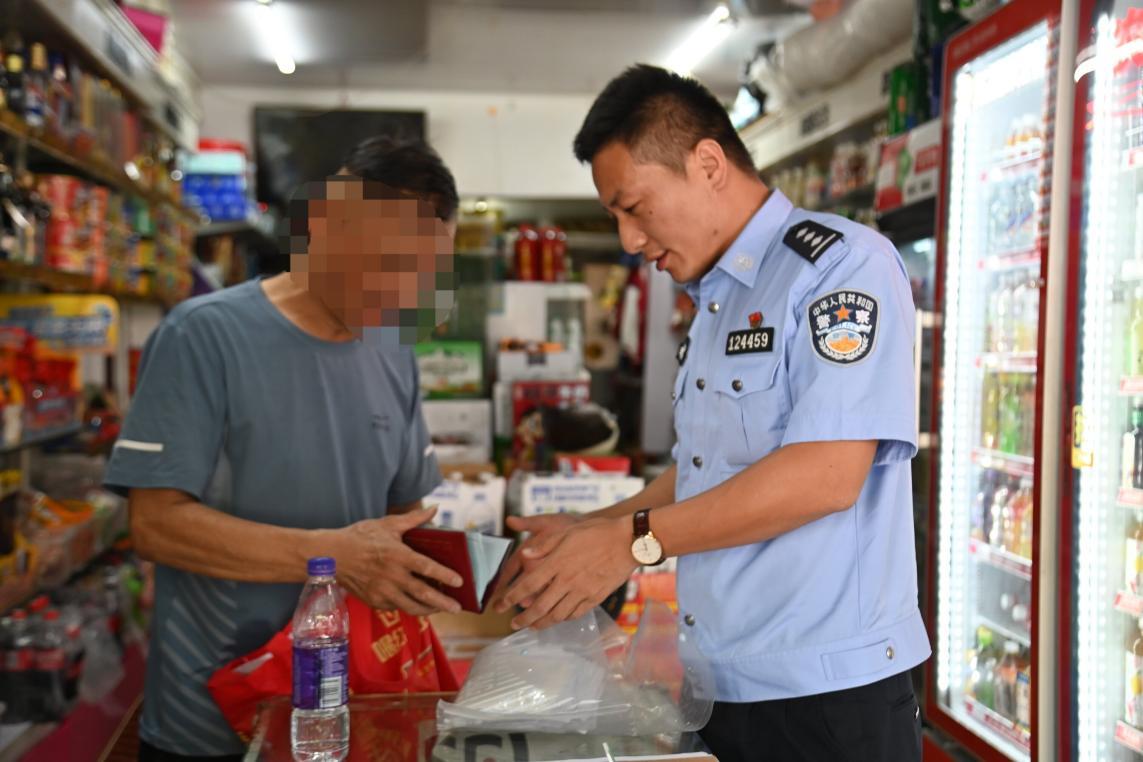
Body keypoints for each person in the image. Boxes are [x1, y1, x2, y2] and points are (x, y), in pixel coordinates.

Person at [492, 65, 929, 761]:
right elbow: (707, 468)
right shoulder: (715, 299)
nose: (629, 240)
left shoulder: (840, 268)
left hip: (826, 696)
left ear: (707, 164)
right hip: (720, 683)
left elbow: (826, 476)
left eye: (635, 208)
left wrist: (631, 543)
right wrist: (593, 529)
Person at [104, 136, 466, 762]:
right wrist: (333, 557)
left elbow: (403, 520)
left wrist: (483, 571)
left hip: (347, 711)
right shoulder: (203, 336)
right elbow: (155, 526)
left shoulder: (393, 348)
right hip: (214, 722)